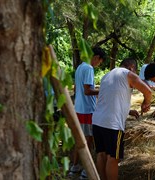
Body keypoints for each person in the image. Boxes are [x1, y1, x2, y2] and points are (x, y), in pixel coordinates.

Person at [92, 57, 152, 180]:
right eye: (135, 71)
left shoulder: (107, 76)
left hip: (97, 121)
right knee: (113, 158)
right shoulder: (128, 74)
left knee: (101, 154)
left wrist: (128, 111)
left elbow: (110, 98)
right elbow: (148, 91)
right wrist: (146, 103)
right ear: (131, 68)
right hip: (112, 124)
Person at [69, 47, 107, 179]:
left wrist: (95, 90)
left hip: (79, 108)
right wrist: (103, 91)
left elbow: (78, 88)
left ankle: (75, 167)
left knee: (80, 139)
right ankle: (87, 170)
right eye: (100, 61)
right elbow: (87, 91)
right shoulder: (89, 69)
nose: (99, 64)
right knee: (88, 141)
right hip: (88, 110)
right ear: (96, 57)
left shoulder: (80, 67)